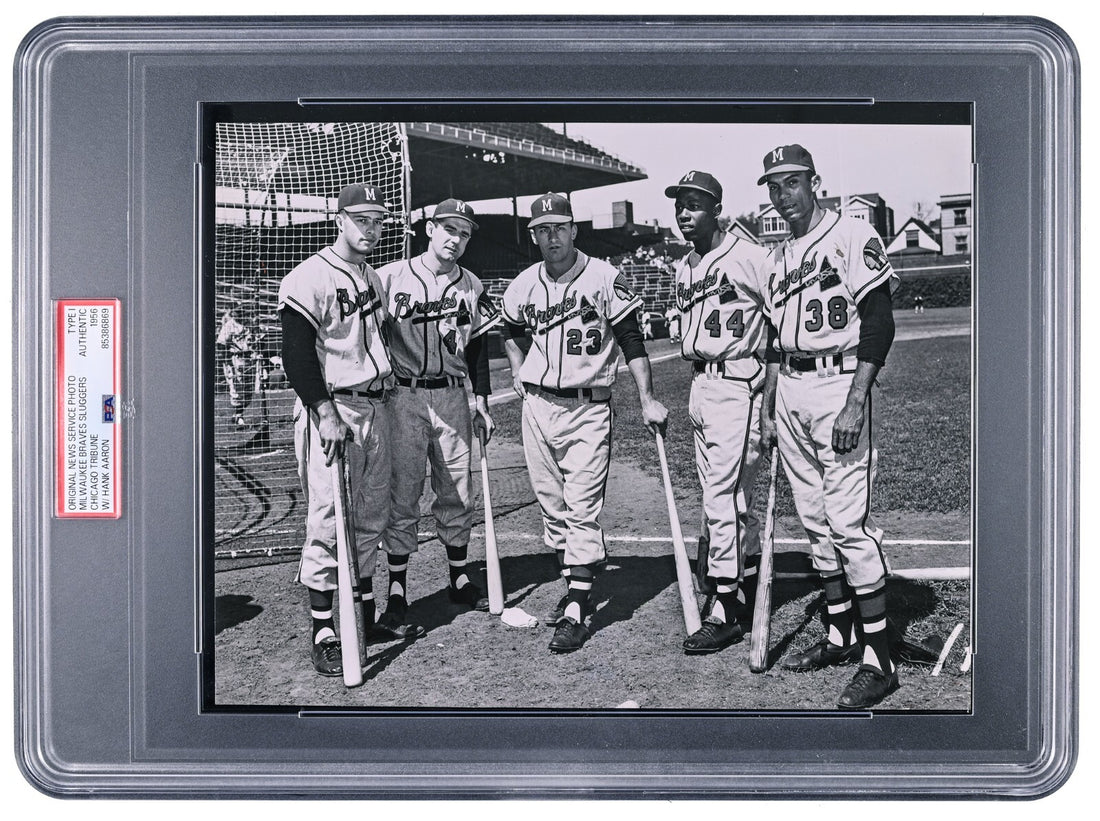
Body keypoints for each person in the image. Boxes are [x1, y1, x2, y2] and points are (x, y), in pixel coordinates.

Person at [756, 144, 900, 709]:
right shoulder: (776, 257)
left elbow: (879, 320)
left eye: (791, 182)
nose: (781, 194)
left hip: (837, 384)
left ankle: (879, 658)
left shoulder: (851, 235)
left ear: (815, 183)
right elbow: (772, 340)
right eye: (772, 185)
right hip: (790, 389)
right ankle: (840, 634)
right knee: (814, 521)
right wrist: (769, 408)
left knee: (847, 524)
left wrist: (856, 400)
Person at [501, 192, 668, 653]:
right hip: (536, 405)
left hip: (588, 406)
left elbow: (631, 339)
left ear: (574, 231)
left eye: (559, 228)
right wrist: (517, 369)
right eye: (542, 230)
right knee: (552, 508)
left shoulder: (602, 275)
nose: (551, 237)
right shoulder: (524, 283)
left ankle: (577, 605)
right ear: (533, 236)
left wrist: (648, 398)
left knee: (580, 507)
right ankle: (577, 575)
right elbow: (510, 326)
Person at [278, 182, 423, 679]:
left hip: (375, 407)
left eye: (378, 220)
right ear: (339, 220)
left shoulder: (372, 278)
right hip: (334, 409)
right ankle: (323, 630)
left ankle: (357, 616)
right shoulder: (308, 276)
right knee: (325, 518)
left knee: (370, 518)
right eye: (362, 219)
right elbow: (295, 353)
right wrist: (324, 412)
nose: (372, 228)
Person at [376, 199, 501, 615]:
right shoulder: (389, 277)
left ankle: (459, 576)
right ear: (429, 228)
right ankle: (397, 587)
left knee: (457, 490)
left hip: (451, 394)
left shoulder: (472, 285)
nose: (456, 239)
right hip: (402, 396)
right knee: (403, 491)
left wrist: (481, 400)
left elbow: (479, 346)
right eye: (449, 229)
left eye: (464, 233)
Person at [665, 170, 771, 655]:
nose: (684, 213)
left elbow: (781, 315)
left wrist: (769, 393)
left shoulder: (750, 257)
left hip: (736, 382)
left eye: (694, 204)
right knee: (733, 499)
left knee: (720, 497)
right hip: (701, 386)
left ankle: (725, 606)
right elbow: (679, 317)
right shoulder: (685, 266)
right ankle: (739, 585)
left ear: (717, 210)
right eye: (679, 205)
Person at [216, 307, 259, 427]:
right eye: (237, 311)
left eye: (241, 311)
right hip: (235, 358)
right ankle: (239, 416)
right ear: (232, 312)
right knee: (237, 388)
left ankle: (237, 415)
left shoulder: (249, 323)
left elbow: (256, 340)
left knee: (249, 390)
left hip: (249, 358)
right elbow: (221, 344)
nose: (239, 314)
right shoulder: (229, 325)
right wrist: (227, 361)